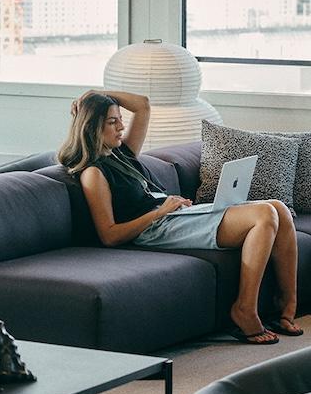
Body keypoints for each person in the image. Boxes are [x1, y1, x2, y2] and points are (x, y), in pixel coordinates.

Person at [58, 89, 302, 346]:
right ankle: (244, 309)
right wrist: (159, 212)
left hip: (174, 215)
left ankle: (287, 307)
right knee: (264, 214)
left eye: (120, 118)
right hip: (155, 228)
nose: (121, 125)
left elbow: (142, 104)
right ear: (92, 126)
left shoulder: (121, 152)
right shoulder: (93, 173)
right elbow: (109, 234)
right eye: (112, 121)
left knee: (280, 209)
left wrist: (94, 94)